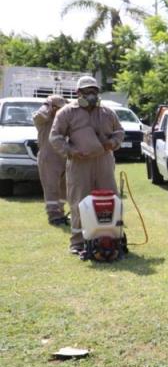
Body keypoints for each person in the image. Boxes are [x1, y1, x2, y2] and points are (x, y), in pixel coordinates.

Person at [49, 76, 124, 255]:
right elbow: (55, 137)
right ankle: (78, 242)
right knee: (78, 201)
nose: (92, 95)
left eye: (94, 91)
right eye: (87, 91)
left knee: (110, 199)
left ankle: (111, 239)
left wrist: (112, 143)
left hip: (104, 160)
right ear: (78, 93)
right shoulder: (66, 112)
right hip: (79, 162)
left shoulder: (107, 112)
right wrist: (71, 151)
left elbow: (119, 132)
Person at [32, 95, 68, 226]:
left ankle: (61, 212)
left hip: (64, 156)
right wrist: (48, 106)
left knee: (64, 188)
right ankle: (53, 215)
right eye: (57, 107)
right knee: (51, 187)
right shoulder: (43, 119)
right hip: (49, 156)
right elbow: (38, 117)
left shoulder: (64, 119)